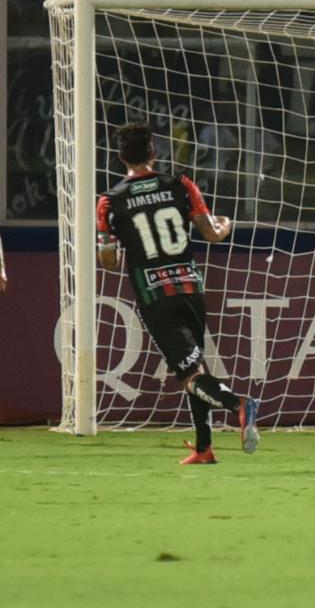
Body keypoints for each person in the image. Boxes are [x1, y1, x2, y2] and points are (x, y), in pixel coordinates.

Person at [96, 122, 260, 465]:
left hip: (156, 296)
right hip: (190, 288)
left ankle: (238, 405)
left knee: (190, 375)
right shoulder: (181, 184)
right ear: (154, 152)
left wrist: (114, 244)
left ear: (120, 156)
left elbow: (108, 260)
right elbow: (213, 234)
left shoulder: (110, 201)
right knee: (195, 364)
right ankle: (204, 448)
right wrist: (226, 225)